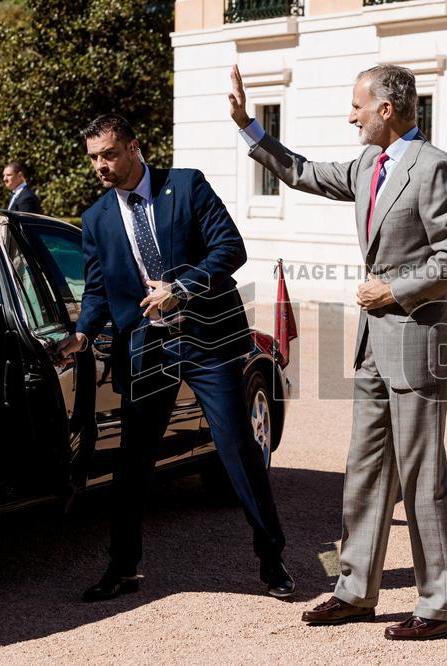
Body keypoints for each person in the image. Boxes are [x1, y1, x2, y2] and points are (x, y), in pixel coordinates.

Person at [228, 64, 447, 640]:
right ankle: (354, 591)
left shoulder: (434, 167)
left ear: (386, 109)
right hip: (372, 348)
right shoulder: (369, 164)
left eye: (357, 106)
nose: (350, 117)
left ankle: (441, 606)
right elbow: (303, 172)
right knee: (364, 473)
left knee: (422, 479)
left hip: (420, 346)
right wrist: (248, 126)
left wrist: (394, 290)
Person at [55, 114, 295, 602]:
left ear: (134, 147)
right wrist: (82, 333)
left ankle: (272, 561)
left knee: (238, 451)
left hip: (209, 341)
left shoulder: (186, 187)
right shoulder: (96, 218)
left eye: (109, 154)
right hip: (147, 349)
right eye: (94, 158)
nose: (101, 165)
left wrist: (181, 289)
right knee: (133, 462)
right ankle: (123, 568)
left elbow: (230, 248)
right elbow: (98, 290)